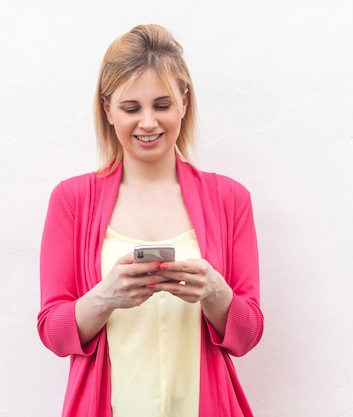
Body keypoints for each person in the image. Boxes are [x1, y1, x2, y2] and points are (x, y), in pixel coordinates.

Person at [37, 24, 264, 417]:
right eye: (131, 108)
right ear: (107, 108)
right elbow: (53, 333)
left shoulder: (230, 200)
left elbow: (247, 336)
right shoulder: (71, 201)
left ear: (184, 102)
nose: (147, 123)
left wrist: (214, 292)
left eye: (162, 105)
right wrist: (106, 297)